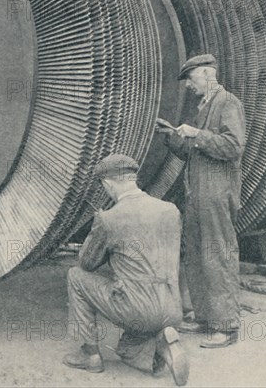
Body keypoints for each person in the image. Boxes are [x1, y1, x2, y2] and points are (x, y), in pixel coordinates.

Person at [63, 154, 189, 386]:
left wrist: (97, 228)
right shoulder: (170, 210)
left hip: (138, 310)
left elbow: (87, 263)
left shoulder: (109, 219)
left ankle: (89, 354)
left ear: (108, 184)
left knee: (75, 276)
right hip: (172, 308)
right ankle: (161, 344)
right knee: (126, 351)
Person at [157, 54, 245, 348]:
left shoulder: (227, 103)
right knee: (197, 255)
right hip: (199, 195)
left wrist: (197, 133)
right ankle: (206, 316)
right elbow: (195, 152)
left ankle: (227, 325)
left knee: (218, 256)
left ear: (208, 75)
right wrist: (171, 135)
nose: (189, 87)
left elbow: (233, 146)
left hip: (217, 195)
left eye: (191, 80)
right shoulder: (206, 106)